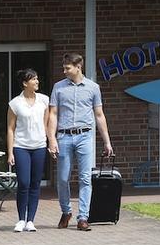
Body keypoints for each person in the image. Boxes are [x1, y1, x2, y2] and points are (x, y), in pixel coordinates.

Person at [47, 52, 114, 231]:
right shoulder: (58, 88)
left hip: (85, 136)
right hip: (64, 136)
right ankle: (66, 211)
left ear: (78, 67)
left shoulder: (93, 88)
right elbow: (53, 114)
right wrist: (51, 138)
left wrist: (107, 141)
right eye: (64, 67)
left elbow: (99, 115)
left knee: (85, 178)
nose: (64, 71)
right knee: (62, 178)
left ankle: (83, 217)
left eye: (67, 68)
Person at [7, 68, 50, 233]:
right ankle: (20, 219)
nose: (37, 82)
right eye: (34, 79)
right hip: (21, 146)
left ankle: (31, 220)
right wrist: (10, 152)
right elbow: (10, 129)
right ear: (25, 83)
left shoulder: (44, 101)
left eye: (37, 79)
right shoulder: (15, 103)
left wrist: (51, 142)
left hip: (39, 146)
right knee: (23, 182)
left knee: (35, 184)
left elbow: (46, 125)